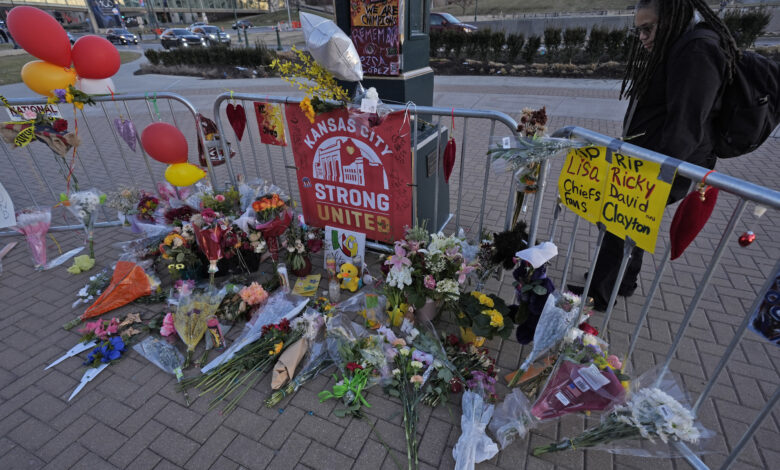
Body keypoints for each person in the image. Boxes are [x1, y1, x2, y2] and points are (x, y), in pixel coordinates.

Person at [568, 0, 740, 310]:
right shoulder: (682, 44)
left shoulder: (697, 49)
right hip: (654, 157)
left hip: (666, 161)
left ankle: (599, 294)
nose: (643, 37)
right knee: (630, 220)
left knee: (620, 218)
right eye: (638, 31)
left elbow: (686, 122)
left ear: (672, 19)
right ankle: (623, 280)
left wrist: (653, 169)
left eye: (648, 29)